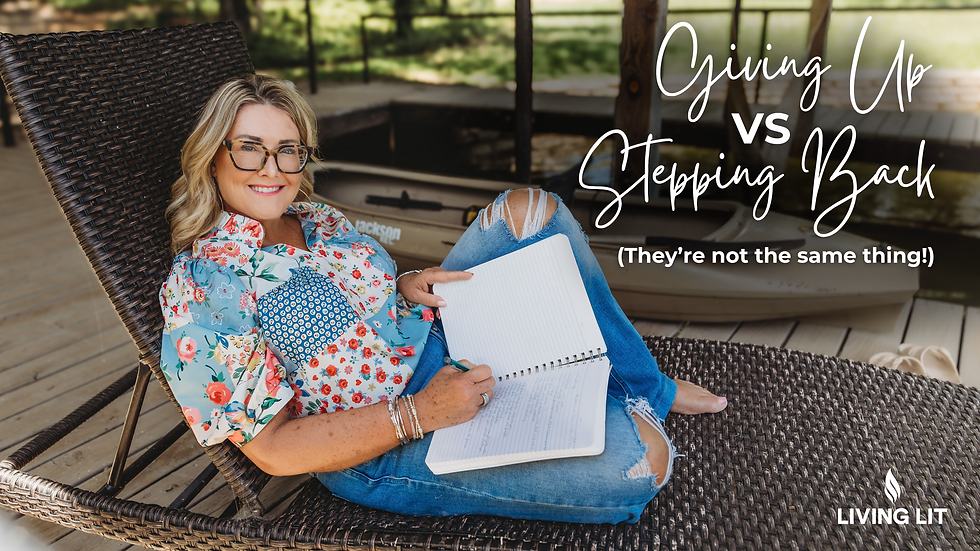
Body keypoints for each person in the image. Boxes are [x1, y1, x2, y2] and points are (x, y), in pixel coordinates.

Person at [160, 74, 727, 524]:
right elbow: (276, 452)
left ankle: (644, 385)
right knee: (645, 459)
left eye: (289, 151)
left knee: (532, 212)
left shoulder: (316, 218)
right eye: (250, 151)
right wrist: (423, 411)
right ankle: (593, 398)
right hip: (381, 442)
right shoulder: (204, 289)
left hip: (438, 336)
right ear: (212, 156)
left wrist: (401, 286)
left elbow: (355, 300)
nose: (273, 170)